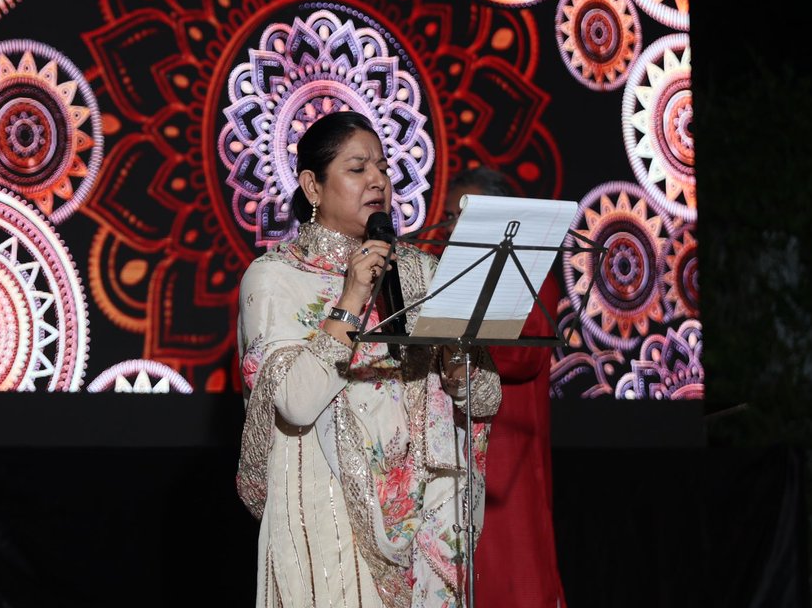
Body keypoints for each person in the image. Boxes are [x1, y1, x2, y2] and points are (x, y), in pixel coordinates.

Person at [236, 111, 502, 608]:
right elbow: (294, 403)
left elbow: (486, 396)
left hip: (429, 515)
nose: (377, 180)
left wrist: (451, 357)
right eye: (357, 169)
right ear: (312, 186)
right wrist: (352, 297)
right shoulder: (276, 279)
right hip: (330, 513)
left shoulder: (423, 271)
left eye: (382, 167)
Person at [442, 166, 567, 608]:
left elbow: (523, 354)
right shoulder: (441, 283)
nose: (453, 227)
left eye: (467, 215)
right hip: (448, 463)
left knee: (512, 584)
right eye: (449, 217)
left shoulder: (529, 276)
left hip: (505, 466)